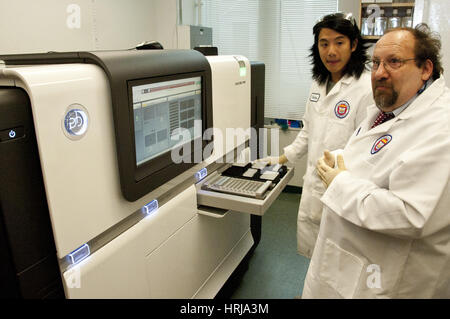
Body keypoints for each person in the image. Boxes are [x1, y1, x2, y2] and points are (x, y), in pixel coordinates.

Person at [307, 24, 450, 298]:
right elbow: (370, 156)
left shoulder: (440, 128)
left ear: (426, 69)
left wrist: (340, 183)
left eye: (394, 62)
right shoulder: (389, 109)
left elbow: (410, 215)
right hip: (350, 259)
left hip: (386, 278)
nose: (380, 72)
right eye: (375, 63)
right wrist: (340, 162)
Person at [262, 13, 374, 258]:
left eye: (339, 42)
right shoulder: (318, 83)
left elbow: (366, 146)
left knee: (337, 253)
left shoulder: (366, 88)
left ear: (354, 45)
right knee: (314, 247)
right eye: (324, 43)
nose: (331, 51)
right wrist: (282, 158)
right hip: (314, 181)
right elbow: (308, 129)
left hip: (343, 185)